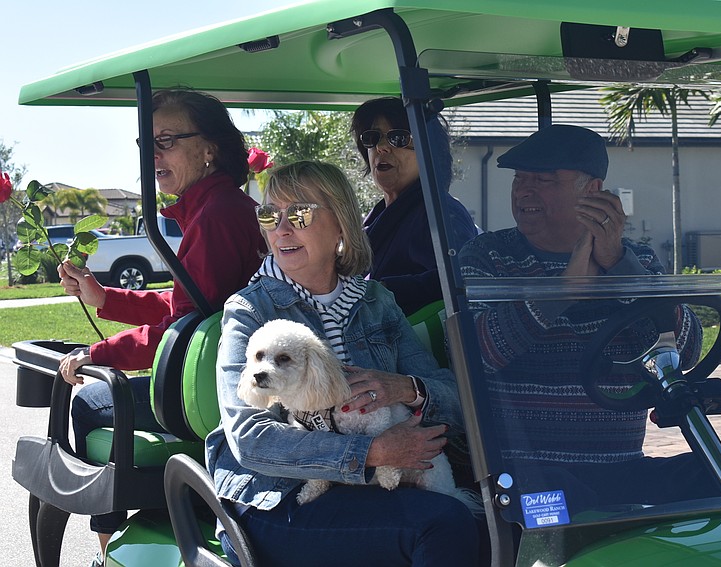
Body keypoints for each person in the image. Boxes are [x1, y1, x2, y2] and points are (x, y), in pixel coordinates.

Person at [458, 124, 721, 511]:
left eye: (543, 180)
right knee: (557, 498)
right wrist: (563, 292)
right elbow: (472, 355)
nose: (523, 191)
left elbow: (687, 350)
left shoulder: (637, 260)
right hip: (527, 476)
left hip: (622, 469)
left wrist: (618, 266)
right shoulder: (488, 256)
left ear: (593, 192)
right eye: (519, 179)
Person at [207, 161, 481, 567]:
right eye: (269, 215)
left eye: (298, 214)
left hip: (375, 489)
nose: (281, 228)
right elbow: (249, 437)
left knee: (503, 520)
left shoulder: (376, 302)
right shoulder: (249, 309)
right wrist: (371, 452)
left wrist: (405, 388)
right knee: (444, 524)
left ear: (341, 225)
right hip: (277, 497)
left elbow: (457, 401)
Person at [56, 88, 268, 566]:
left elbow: (183, 332)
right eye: (146, 143)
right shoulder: (219, 208)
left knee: (90, 402)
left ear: (209, 148)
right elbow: (186, 307)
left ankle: (112, 551)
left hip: (212, 385)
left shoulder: (215, 217)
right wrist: (104, 298)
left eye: (166, 140)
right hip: (215, 373)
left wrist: (98, 354)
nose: (152, 155)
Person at [352, 97, 478, 316]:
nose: (381, 147)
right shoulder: (377, 218)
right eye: (372, 138)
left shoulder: (442, 214)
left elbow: (461, 279)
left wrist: (383, 290)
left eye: (398, 138)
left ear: (429, 151)